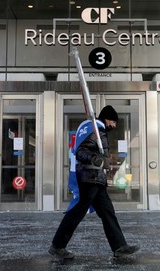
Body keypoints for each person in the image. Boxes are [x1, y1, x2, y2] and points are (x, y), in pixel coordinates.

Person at [49, 105, 139, 259]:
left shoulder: (94, 129)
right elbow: (81, 151)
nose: (115, 125)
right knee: (77, 211)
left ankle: (119, 246)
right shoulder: (97, 130)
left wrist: (102, 161)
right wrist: (98, 161)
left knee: (107, 211)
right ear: (108, 119)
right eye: (114, 122)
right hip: (89, 178)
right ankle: (57, 246)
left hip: (95, 178)